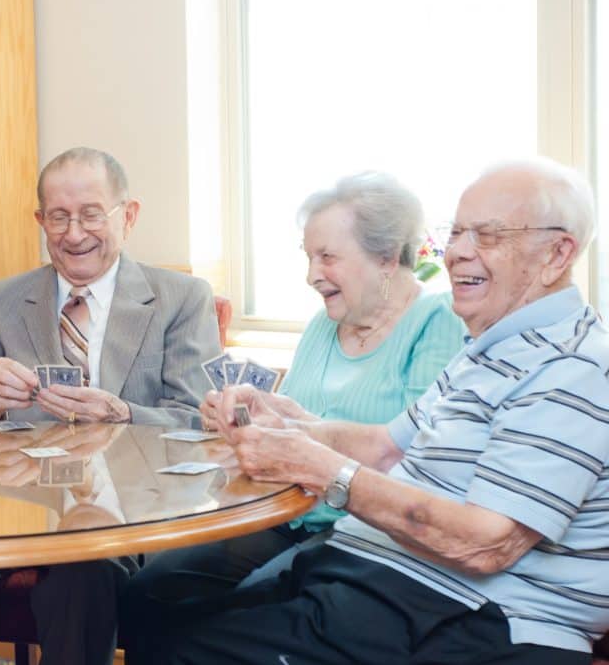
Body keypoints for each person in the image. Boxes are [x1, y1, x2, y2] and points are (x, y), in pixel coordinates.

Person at [133, 157, 609, 664]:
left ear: (558, 255)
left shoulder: (573, 366)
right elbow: (385, 447)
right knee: (158, 612)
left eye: (489, 235)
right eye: (458, 232)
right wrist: (286, 424)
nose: (457, 253)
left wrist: (317, 466)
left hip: (467, 610)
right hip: (384, 573)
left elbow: (487, 545)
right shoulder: (490, 348)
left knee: (184, 648)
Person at [119, 172, 465, 643]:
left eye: (327, 257)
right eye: (308, 257)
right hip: (284, 514)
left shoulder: (436, 322)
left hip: (362, 528)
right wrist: (237, 420)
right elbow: (285, 426)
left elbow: (415, 456)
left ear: (385, 259)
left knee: (246, 614)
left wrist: (293, 430)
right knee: (149, 591)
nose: (311, 275)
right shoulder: (323, 327)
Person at [0, 147, 222, 665]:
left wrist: (124, 414)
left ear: (128, 215)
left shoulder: (181, 299)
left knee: (81, 569)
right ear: (40, 221)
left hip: (128, 511)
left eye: (92, 214)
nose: (74, 234)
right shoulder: (1, 301)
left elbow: (199, 421)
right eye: (59, 217)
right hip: (14, 510)